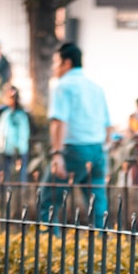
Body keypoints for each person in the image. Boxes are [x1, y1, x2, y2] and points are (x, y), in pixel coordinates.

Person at [41, 42, 113, 228]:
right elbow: (108, 126)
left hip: (73, 148)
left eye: (56, 62)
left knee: (48, 202)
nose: (54, 67)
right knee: (98, 204)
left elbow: (59, 122)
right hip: (96, 148)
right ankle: (102, 244)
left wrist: (57, 154)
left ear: (67, 63)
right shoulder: (96, 87)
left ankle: (50, 246)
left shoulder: (63, 86)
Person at [0, 84, 31, 182]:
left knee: (19, 176)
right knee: (4, 176)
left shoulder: (22, 114)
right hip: (3, 149)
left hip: (19, 150)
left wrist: (19, 148)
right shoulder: (2, 112)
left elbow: (24, 132)